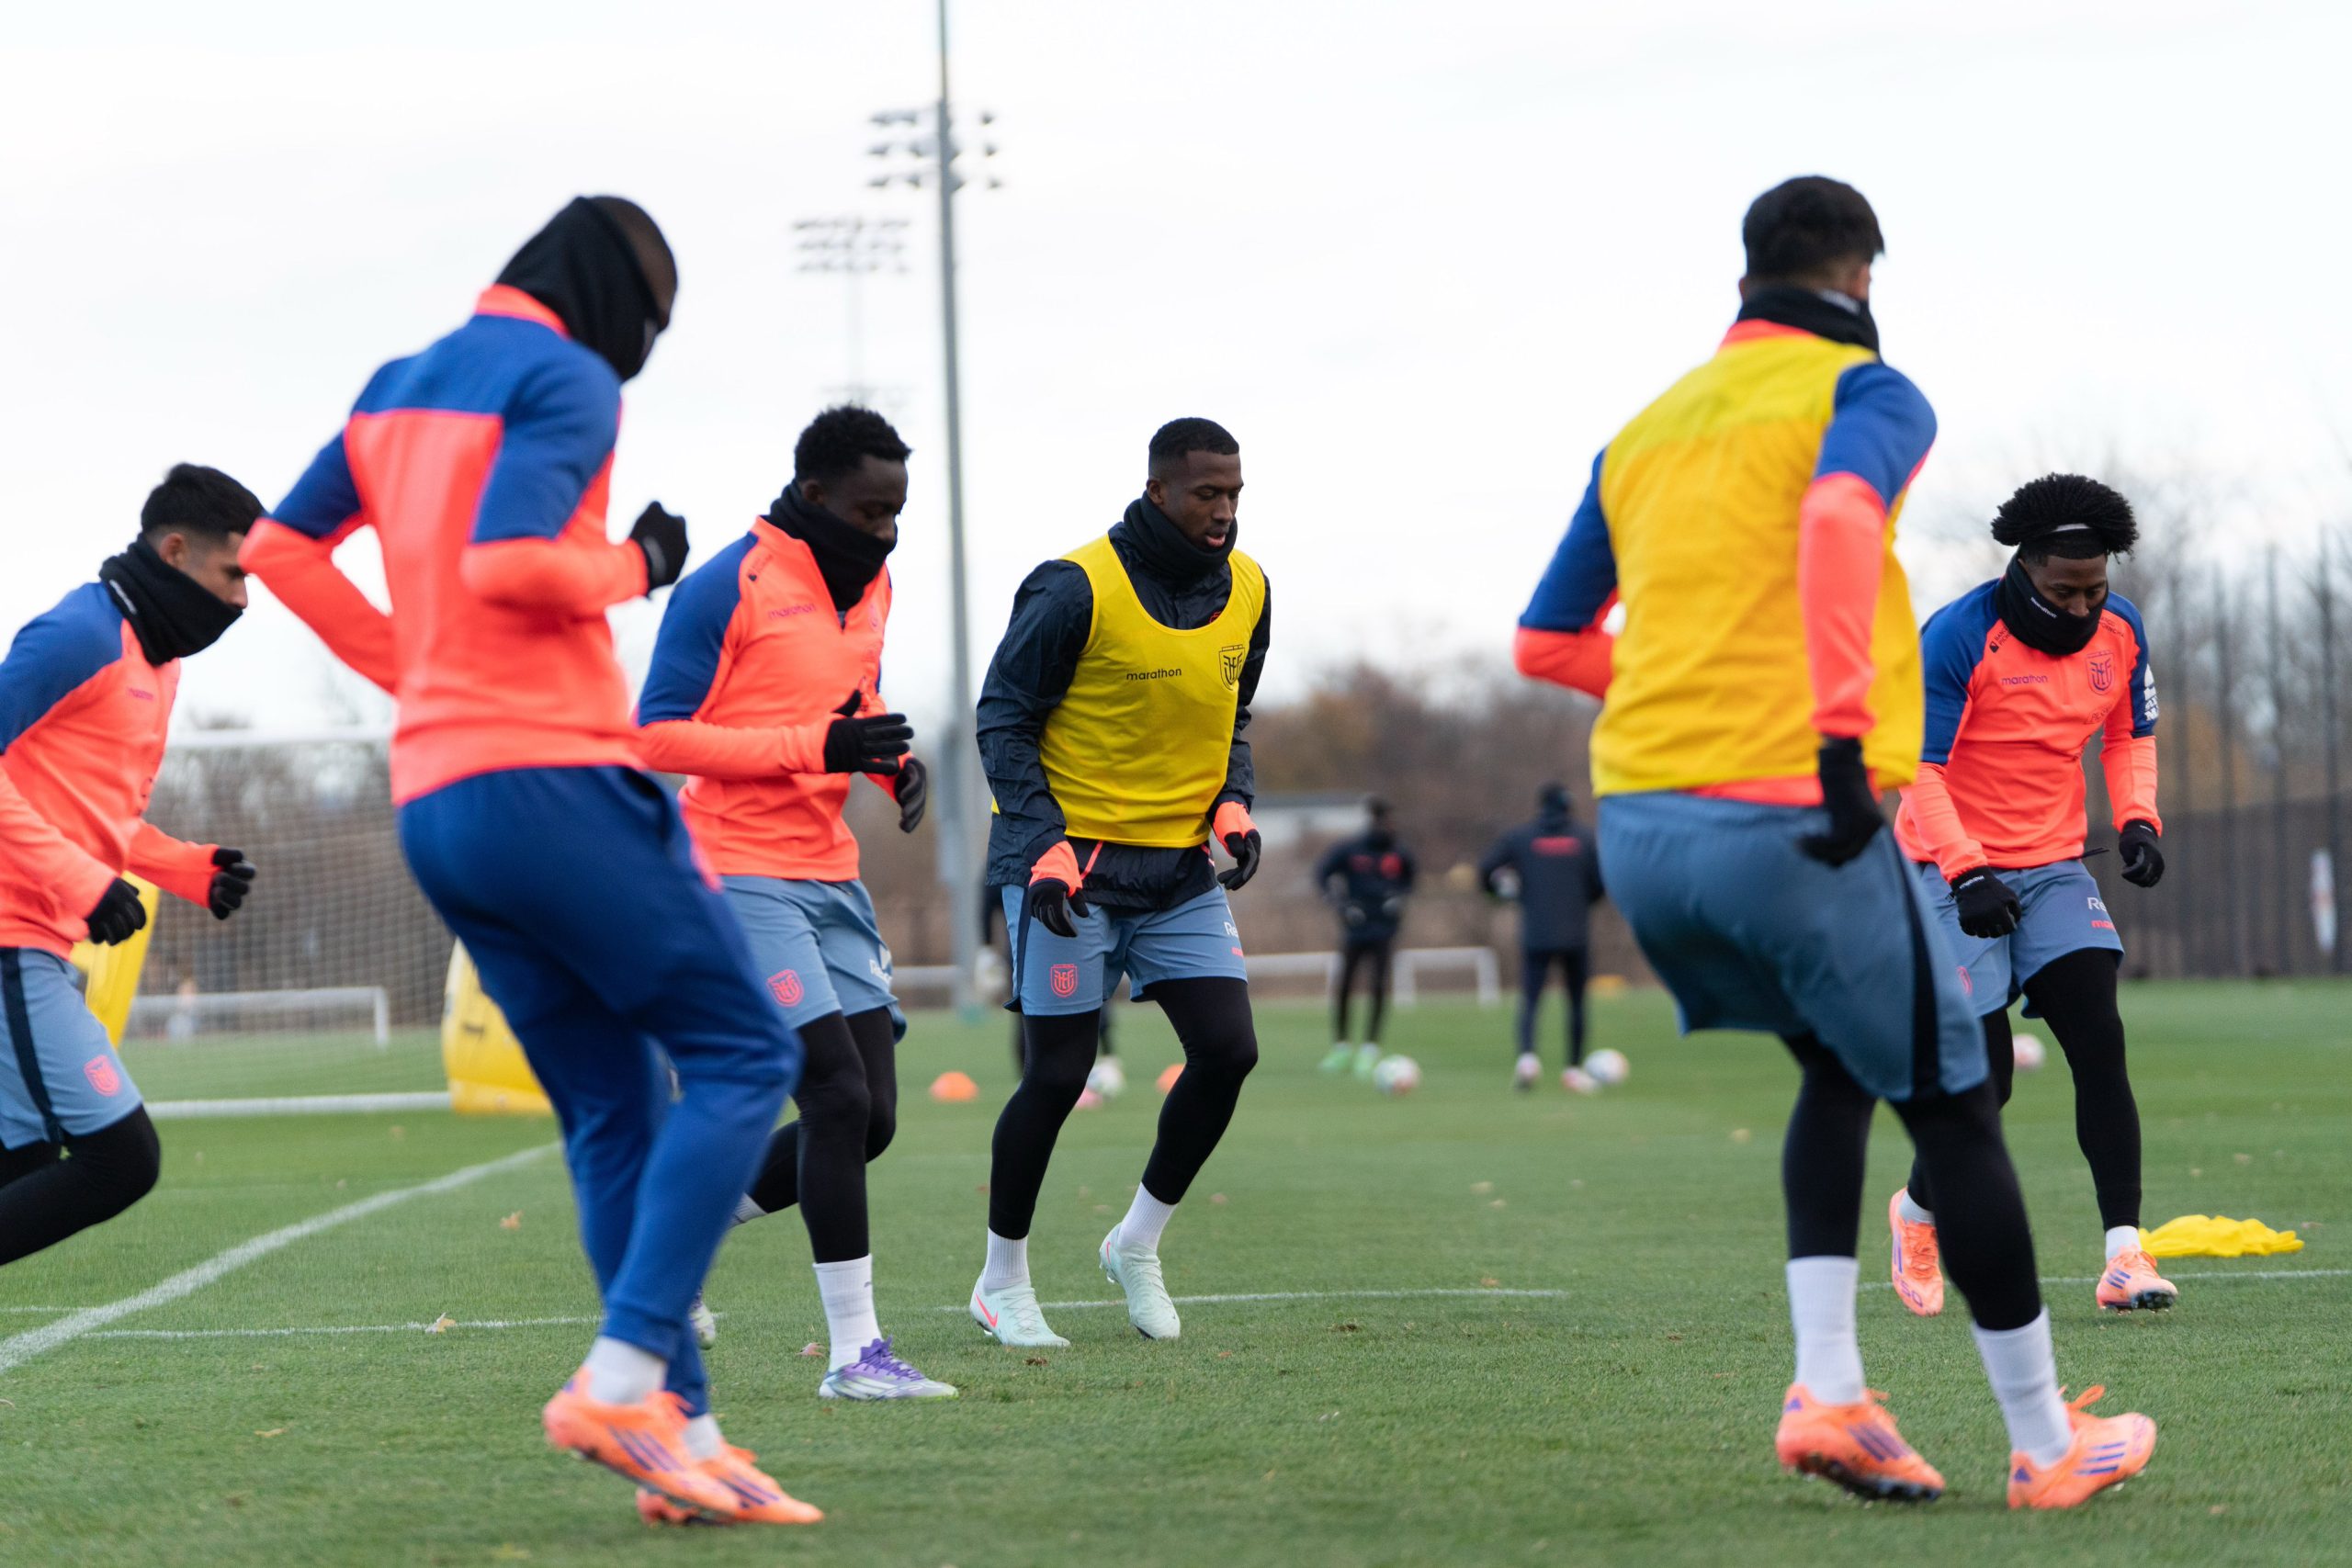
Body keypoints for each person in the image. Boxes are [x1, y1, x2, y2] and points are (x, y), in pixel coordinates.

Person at [1513, 176, 2154, 1509]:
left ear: (1749, 279)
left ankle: (1834, 1391)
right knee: (1963, 1099)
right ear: (1860, 277)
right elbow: (1835, 517)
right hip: (1794, 813)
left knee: (1837, 1072)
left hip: (1646, 828)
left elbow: (1549, 641)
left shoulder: (1644, 430)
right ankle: (2045, 1443)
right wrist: (1826, 729)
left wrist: (1689, 697)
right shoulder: (1871, 393)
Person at [242, 197, 817, 1528]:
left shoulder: (399, 381)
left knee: (617, 1114)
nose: (643, 353)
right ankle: (621, 1378)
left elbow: (277, 546)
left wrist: (407, 662)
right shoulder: (562, 374)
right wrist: (641, 560)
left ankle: (688, 1436)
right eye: (652, 324)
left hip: (437, 794)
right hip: (550, 775)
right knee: (746, 1055)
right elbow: (509, 558)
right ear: (613, 300)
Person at [634, 405, 954, 1400]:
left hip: (828, 869)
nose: (886, 530)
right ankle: (857, 1357)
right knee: (834, 1096)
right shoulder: (728, 584)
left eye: (899, 511)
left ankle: (677, 1230)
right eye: (870, 510)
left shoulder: (875, 583)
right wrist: (816, 750)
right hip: (735, 867)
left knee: (874, 1120)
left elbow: (853, 703)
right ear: (812, 495)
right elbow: (656, 738)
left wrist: (890, 761)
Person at [971, 416, 1270, 1348]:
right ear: (1158, 493)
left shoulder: (1252, 587)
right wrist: (1044, 841)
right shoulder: (1072, 588)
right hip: (1072, 870)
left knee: (1227, 1052)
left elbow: (1231, 717)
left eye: (1233, 494)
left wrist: (1233, 802)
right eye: (1204, 495)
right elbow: (1001, 719)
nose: (1221, 512)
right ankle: (1000, 1280)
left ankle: (1134, 1244)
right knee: (1058, 1074)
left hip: (1177, 869)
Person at [1887, 474, 2175, 1318]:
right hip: (1947, 867)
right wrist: (1967, 870)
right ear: (2025, 569)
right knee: (1987, 1082)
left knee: (2099, 1036)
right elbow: (1918, 770)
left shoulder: (2121, 633)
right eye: (2064, 591)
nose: (2084, 606)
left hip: (2053, 864)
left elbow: (2129, 733)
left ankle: (2124, 1254)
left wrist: (2138, 819)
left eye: (2096, 589)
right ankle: (1916, 1212)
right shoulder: (1955, 636)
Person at [0, 465, 260, 1267]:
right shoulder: (78, 636)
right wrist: (84, 884)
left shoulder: (162, 663)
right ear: (175, 551)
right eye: (235, 575)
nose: (245, 602)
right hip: (11, 940)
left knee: (28, 1163)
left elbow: (91, 810)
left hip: (39, 940)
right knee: (122, 1157)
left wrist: (187, 867)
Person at [1478, 782, 1607, 1092]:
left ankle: (1527, 1059)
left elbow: (1486, 870)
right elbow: (1601, 882)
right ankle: (1573, 1069)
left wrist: (1507, 894)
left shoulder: (1521, 837)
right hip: (1575, 932)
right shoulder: (1584, 837)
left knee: (1531, 999)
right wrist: (1581, 902)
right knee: (1576, 1002)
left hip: (1536, 931)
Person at [1314, 797, 1416, 1077]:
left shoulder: (1399, 852)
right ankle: (1342, 1047)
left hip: (1384, 930)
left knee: (1379, 985)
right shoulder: (1350, 848)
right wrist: (1341, 905)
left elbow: (1411, 881)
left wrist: (1399, 899)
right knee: (1345, 984)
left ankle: (1371, 1047)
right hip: (1355, 928)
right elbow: (1322, 874)